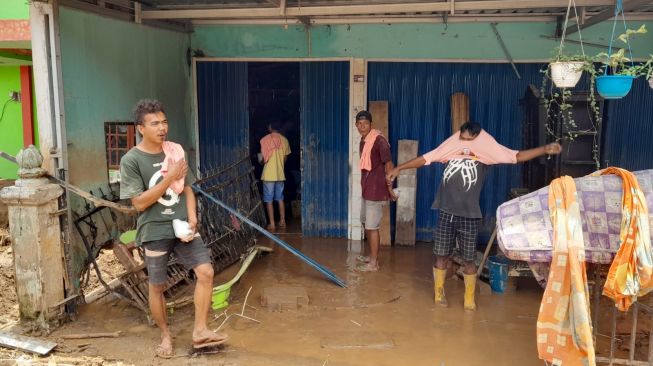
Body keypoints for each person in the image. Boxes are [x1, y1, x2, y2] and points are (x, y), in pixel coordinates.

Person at [386, 121, 561, 310]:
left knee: (469, 259)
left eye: (469, 139)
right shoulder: (450, 147)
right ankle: (439, 292)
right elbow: (424, 159)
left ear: (477, 137)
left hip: (470, 214)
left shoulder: (487, 152)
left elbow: (516, 156)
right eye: (462, 138)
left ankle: (469, 298)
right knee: (441, 255)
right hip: (446, 211)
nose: (465, 142)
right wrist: (399, 168)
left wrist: (544, 149)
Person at [119, 99, 228, 358]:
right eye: (154, 123)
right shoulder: (131, 160)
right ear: (141, 128)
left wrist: (192, 216)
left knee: (206, 271)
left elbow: (188, 188)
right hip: (154, 230)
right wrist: (169, 177)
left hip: (183, 227)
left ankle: (200, 331)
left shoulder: (176, 152)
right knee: (157, 286)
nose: (162, 128)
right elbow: (139, 203)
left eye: (164, 121)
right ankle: (165, 335)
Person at [355, 110, 397, 272]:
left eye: (365, 123)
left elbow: (389, 164)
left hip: (376, 189)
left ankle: (374, 263)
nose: (362, 126)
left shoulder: (379, 141)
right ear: (356, 125)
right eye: (359, 124)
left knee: (372, 227)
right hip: (367, 188)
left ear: (371, 124)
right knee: (365, 222)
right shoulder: (363, 141)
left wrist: (389, 188)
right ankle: (371, 256)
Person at [259, 122, 291, 230]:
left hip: (268, 175)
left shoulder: (264, 139)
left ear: (270, 127)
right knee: (280, 198)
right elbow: (285, 159)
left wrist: (261, 161)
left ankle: (272, 223)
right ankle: (282, 221)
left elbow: (263, 159)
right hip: (280, 174)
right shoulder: (285, 140)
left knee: (269, 200)